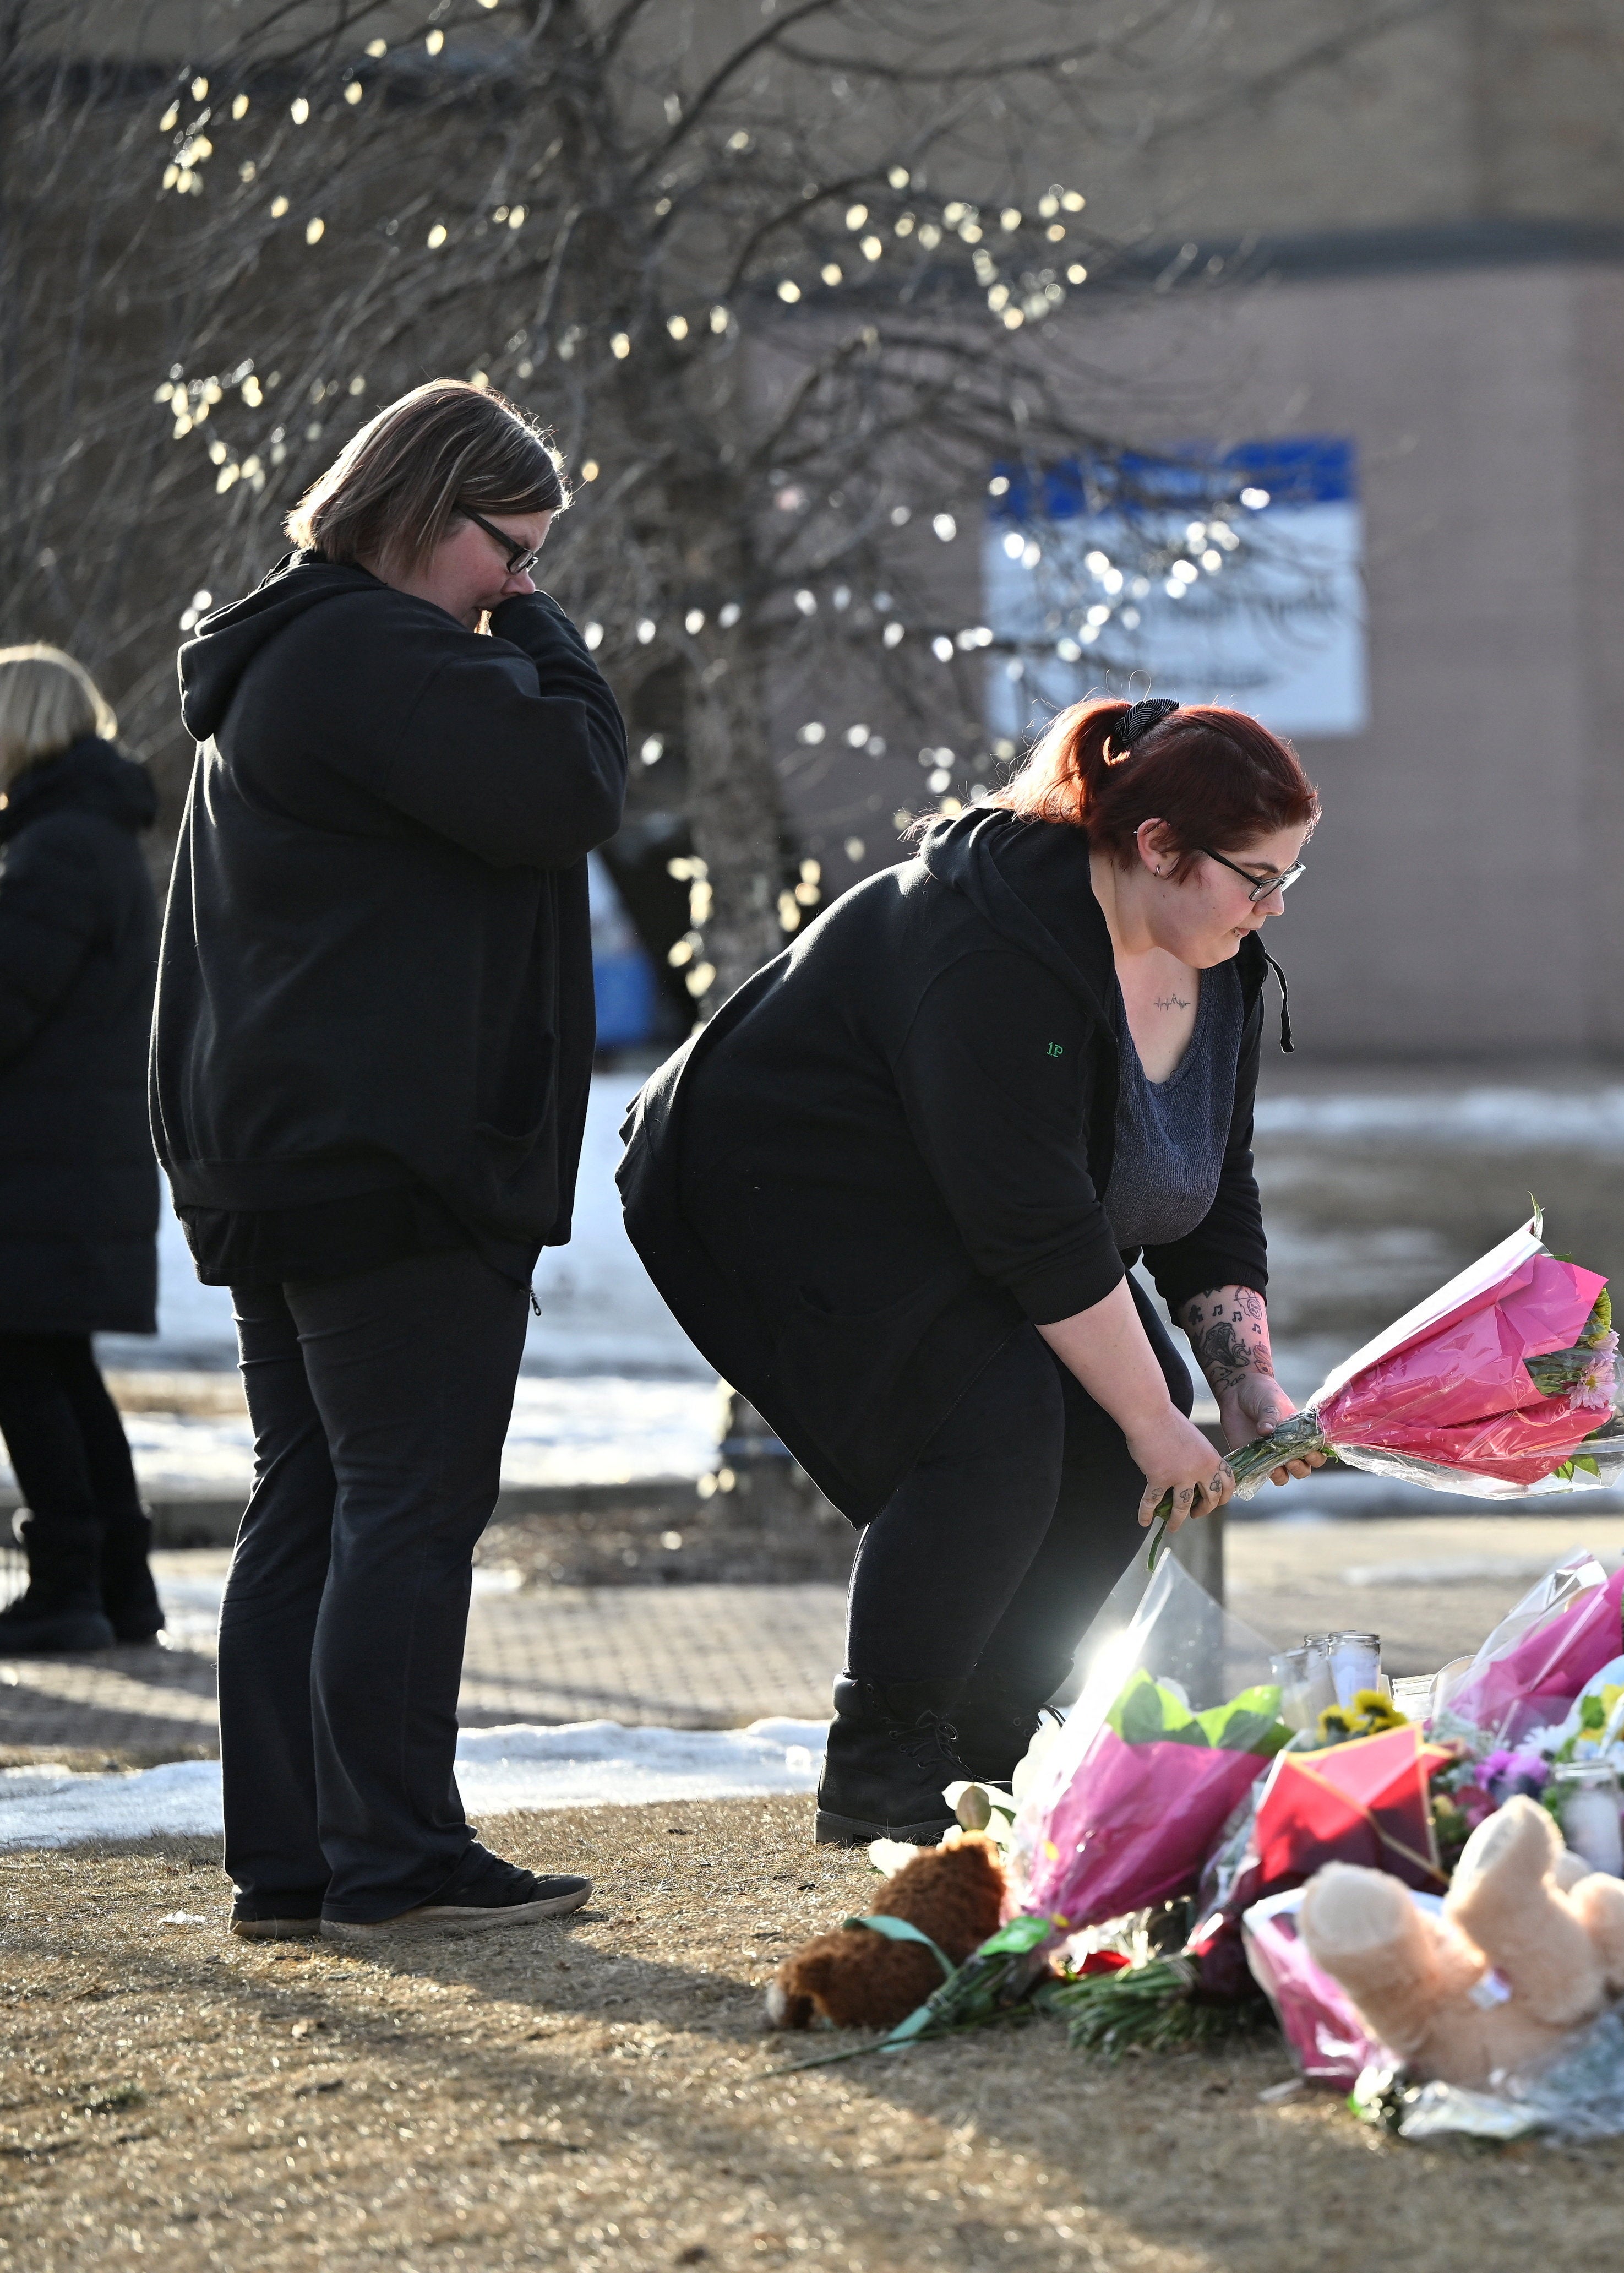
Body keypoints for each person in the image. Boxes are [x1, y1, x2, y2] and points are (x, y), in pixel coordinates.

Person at [620, 694, 1325, 1845]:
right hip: (780, 1179)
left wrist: (1238, 1371)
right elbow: (1035, 1225)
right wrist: (1152, 1421)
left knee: (1124, 1422)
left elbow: (1208, 1182)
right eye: (1256, 877)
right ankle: (882, 1769)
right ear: (1156, 848)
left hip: (971, 1202)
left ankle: (987, 1744)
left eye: (1289, 875)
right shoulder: (995, 948)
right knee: (990, 1426)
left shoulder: (1223, 963)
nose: (1275, 905)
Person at [160, 381, 625, 1940]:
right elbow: (574, 787)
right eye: (513, 549)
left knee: (313, 1498)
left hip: (290, 1150)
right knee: (407, 1503)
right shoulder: (377, 650)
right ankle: (395, 1857)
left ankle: (294, 1859)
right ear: (428, 513)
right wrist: (553, 652)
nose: (525, 585)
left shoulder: (298, 656)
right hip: (390, 1157)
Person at [0, 645, 163, 1654]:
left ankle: (70, 1587)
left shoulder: (57, 849)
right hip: (69, 1164)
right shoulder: (90, 839)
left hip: (39, 1167)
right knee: (58, 1366)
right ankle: (117, 1585)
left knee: (26, 1367)